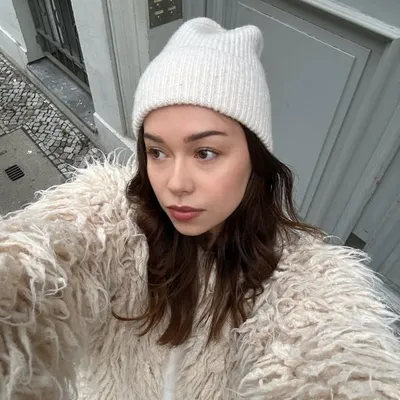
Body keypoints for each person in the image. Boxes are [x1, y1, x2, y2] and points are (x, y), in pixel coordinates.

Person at [0, 17, 399, 400]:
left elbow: (330, 363)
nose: (175, 183)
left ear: (255, 158)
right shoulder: (111, 221)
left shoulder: (301, 279)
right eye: (157, 152)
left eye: (205, 152)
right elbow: (39, 262)